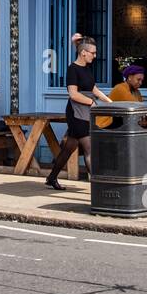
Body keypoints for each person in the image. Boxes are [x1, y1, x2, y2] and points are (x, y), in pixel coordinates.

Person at [45, 35, 109, 190]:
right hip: (76, 113)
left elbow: (92, 88)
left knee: (69, 148)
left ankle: (52, 178)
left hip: (86, 111)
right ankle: (98, 187)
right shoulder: (72, 69)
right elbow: (73, 94)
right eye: (93, 53)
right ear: (83, 53)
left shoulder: (86, 68)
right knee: (89, 148)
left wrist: (110, 102)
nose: (95, 56)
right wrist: (91, 102)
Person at [94, 64, 145, 131]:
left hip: (120, 121)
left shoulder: (136, 91)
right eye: (138, 79)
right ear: (129, 77)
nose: (140, 83)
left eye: (141, 80)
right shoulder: (120, 88)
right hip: (108, 122)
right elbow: (136, 105)